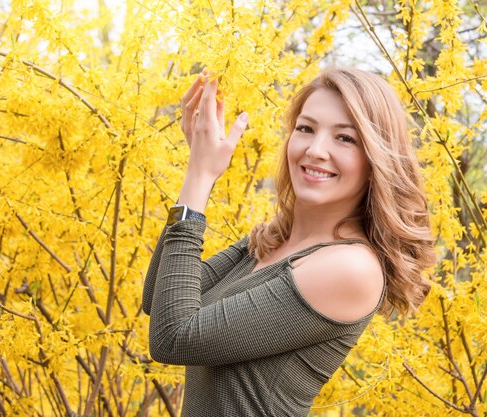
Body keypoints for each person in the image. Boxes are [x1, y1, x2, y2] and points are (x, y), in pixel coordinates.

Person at [142, 67, 436, 416]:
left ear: (376, 159)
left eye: (345, 138)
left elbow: (172, 338)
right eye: (306, 129)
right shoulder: (273, 241)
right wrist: (196, 168)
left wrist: (200, 176)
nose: (315, 149)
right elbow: (156, 300)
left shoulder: (350, 267)